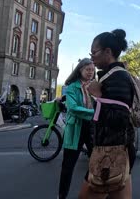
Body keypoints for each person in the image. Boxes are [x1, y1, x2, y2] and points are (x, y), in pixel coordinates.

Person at [79, 29, 136, 199]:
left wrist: (98, 96)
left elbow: (119, 119)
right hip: (116, 149)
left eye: (94, 52)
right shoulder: (111, 76)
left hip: (112, 152)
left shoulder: (118, 77)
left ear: (108, 52)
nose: (92, 57)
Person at [58, 58, 95, 199]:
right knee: (68, 167)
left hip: (92, 127)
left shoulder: (96, 86)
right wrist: (95, 113)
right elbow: (73, 108)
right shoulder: (72, 87)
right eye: (88, 70)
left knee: (97, 162)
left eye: (92, 70)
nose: (90, 72)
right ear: (80, 70)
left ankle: (93, 193)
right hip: (76, 128)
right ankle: (61, 196)